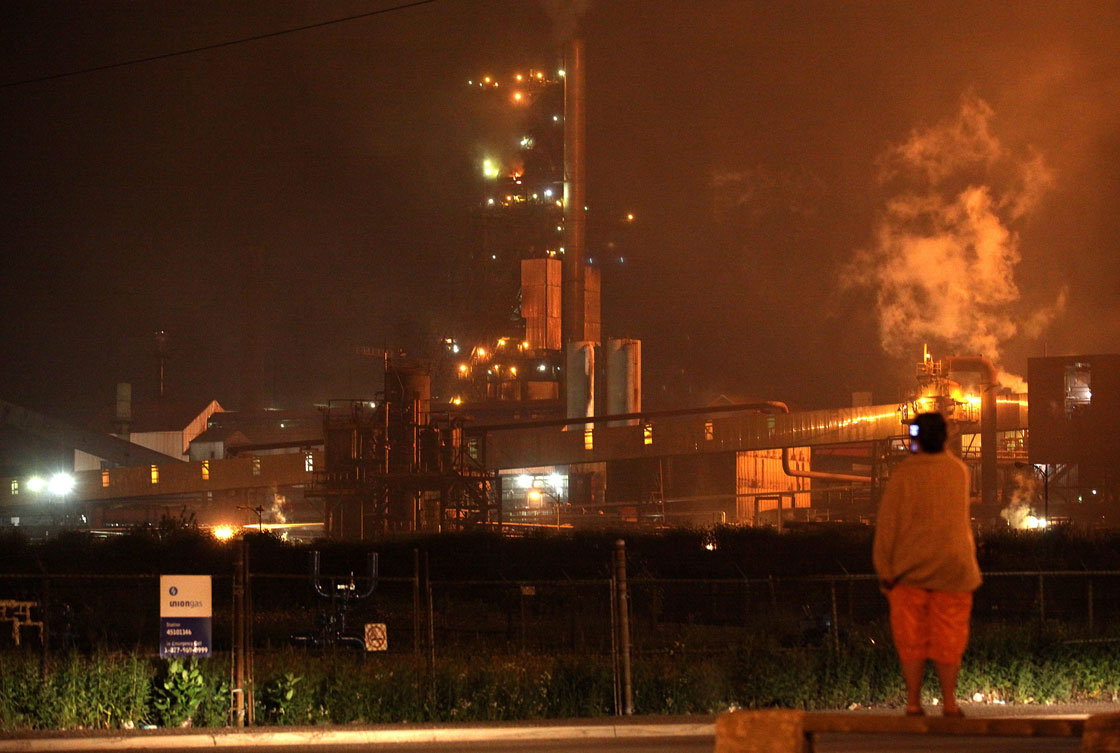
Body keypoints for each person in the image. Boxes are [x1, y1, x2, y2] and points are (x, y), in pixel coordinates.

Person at [873, 411, 981, 717]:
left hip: (909, 570)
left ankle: (913, 702)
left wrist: (885, 568)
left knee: (912, 639)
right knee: (949, 637)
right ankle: (949, 702)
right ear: (945, 437)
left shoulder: (904, 474)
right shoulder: (959, 471)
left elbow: (888, 525)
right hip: (954, 569)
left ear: (915, 437)